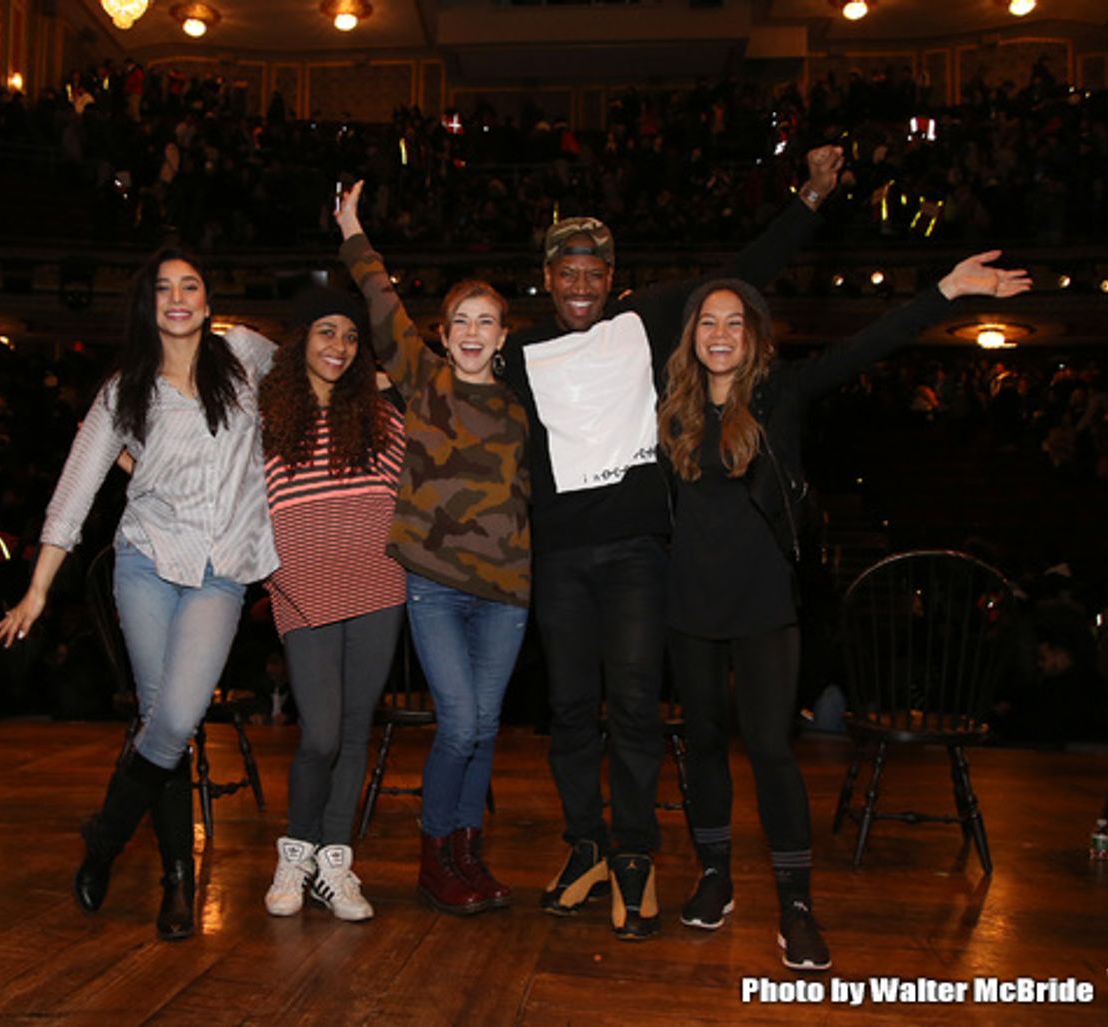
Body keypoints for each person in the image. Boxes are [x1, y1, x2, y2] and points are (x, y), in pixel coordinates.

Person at [497, 146, 844, 939]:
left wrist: (810, 201)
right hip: (556, 558)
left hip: (636, 554)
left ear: (611, 277)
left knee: (635, 708)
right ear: (546, 278)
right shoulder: (517, 351)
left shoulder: (644, 321)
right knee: (570, 710)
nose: (580, 284)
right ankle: (585, 840)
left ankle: (634, 854)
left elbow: (741, 274)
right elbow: (457, 382)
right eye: (566, 272)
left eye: (594, 271)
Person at [659, 253, 1032, 968]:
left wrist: (945, 291)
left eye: (735, 321)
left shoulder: (781, 394)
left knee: (770, 750)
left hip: (764, 601)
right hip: (687, 601)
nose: (720, 332)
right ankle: (714, 876)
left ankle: (795, 903)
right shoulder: (668, 404)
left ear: (754, 335)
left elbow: (867, 343)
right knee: (702, 743)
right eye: (708, 320)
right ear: (691, 335)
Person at [0, 248, 278, 940]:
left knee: (175, 718)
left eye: (191, 286)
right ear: (147, 304)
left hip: (219, 570)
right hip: (147, 565)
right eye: (163, 288)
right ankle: (177, 882)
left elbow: (321, 364)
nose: (177, 297)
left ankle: (105, 836)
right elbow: (76, 487)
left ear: (209, 302)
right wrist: (37, 589)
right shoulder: (125, 389)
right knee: (164, 718)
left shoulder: (245, 356)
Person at [335, 181, 530, 914]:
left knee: (487, 726)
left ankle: (467, 850)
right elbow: (383, 304)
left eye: (487, 322)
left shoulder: (519, 409)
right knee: (462, 721)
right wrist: (354, 230)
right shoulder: (423, 378)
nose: (473, 332)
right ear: (444, 333)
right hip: (438, 586)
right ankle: (434, 851)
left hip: (506, 594)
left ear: (504, 336)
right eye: (460, 321)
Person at [258, 288, 407, 922]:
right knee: (319, 732)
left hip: (377, 582)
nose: (339, 347)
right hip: (302, 585)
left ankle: (334, 862)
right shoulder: (261, 417)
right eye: (326, 331)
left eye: (350, 335)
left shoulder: (382, 415)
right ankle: (296, 849)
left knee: (352, 729)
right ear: (300, 341)